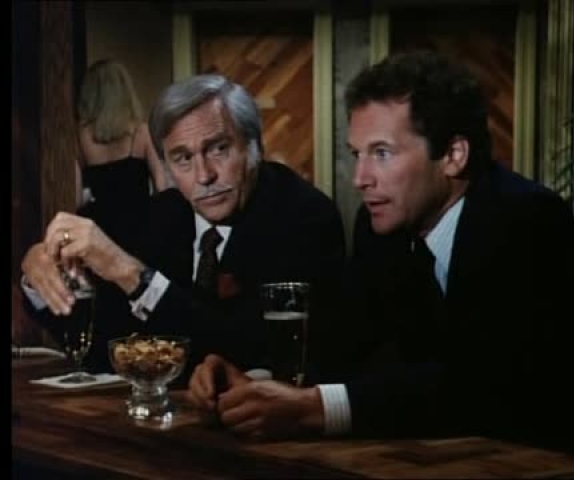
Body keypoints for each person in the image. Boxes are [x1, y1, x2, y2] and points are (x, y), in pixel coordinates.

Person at [186, 50, 574, 456]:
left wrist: (317, 408)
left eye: (381, 153)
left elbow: (480, 384)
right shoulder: (381, 227)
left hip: (570, 457)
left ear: (453, 155)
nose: (360, 178)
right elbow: (349, 345)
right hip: (453, 454)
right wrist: (254, 384)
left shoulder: (524, 218)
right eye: (357, 154)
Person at [20, 73, 345, 380]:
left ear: (254, 148)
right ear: (166, 166)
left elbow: (249, 352)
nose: (204, 175)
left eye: (218, 148)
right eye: (183, 158)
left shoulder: (303, 216)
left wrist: (132, 275)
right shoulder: (162, 215)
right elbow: (106, 344)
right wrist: (42, 277)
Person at [76, 59, 169, 243]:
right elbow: (163, 187)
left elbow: (75, 199)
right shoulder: (141, 132)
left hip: (98, 232)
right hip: (141, 228)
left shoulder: (79, 136)